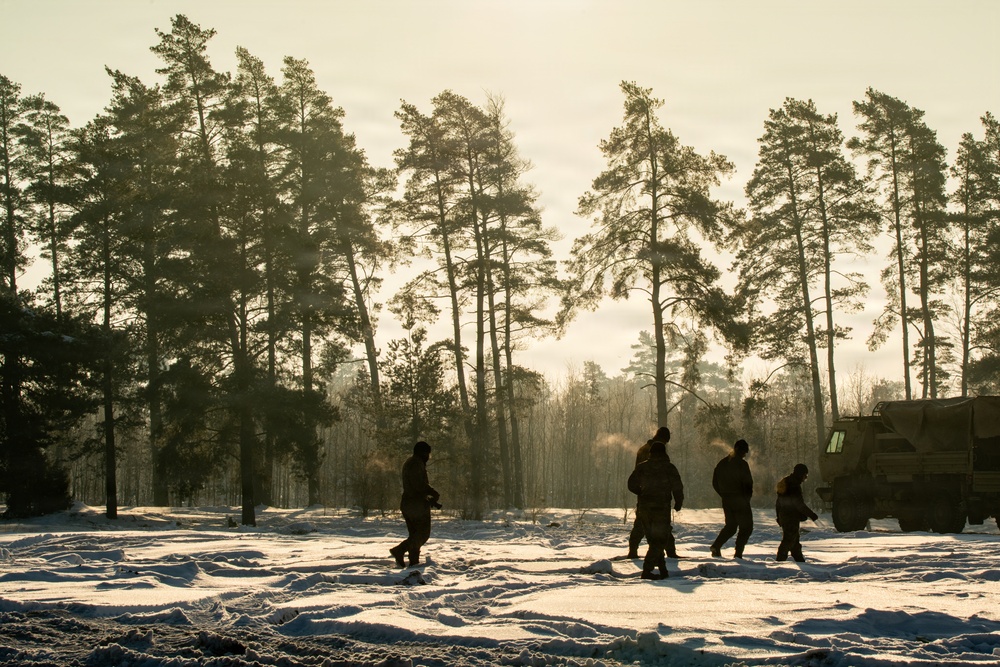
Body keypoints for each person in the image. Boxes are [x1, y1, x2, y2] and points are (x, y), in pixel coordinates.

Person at [627, 440, 684, 579]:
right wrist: (678, 501)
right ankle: (647, 570)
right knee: (660, 540)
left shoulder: (642, 467)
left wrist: (641, 492)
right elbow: (677, 486)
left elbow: (631, 484)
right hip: (661, 508)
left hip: (645, 509)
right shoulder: (669, 468)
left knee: (653, 540)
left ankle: (663, 570)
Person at [390, 441, 441, 568]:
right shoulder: (415, 464)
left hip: (410, 503)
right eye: (428, 454)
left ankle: (413, 563)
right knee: (422, 534)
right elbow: (418, 485)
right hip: (415, 505)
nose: (429, 457)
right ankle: (399, 550)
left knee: (414, 535)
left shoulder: (412, 463)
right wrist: (432, 492)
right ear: (422, 453)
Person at [626, 426, 671, 559]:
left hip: (650, 494)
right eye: (666, 440)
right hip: (651, 495)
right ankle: (636, 550)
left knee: (657, 523)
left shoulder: (644, 449)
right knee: (645, 523)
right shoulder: (651, 451)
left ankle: (666, 550)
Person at [709, 439, 754, 558]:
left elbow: (715, 482)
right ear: (741, 451)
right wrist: (746, 499)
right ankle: (738, 553)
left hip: (727, 500)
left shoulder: (722, 463)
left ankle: (716, 546)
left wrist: (724, 495)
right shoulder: (742, 464)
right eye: (744, 452)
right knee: (747, 527)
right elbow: (748, 484)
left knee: (731, 526)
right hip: (740, 500)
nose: (745, 455)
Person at [775, 463, 819, 562]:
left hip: (784, 516)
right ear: (800, 474)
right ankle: (779, 563)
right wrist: (811, 514)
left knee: (794, 544)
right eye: (805, 476)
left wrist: (778, 516)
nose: (805, 479)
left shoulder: (785, 481)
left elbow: (778, 502)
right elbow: (798, 504)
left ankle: (800, 561)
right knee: (788, 540)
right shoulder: (794, 485)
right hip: (791, 517)